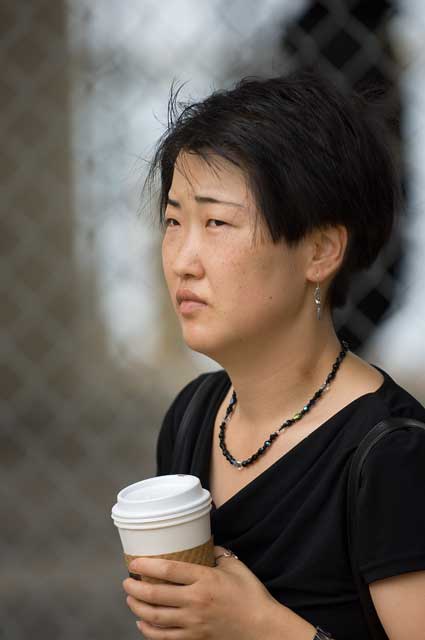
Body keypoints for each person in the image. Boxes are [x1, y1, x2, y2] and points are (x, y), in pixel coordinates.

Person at [122, 72, 425, 639]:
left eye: (216, 222)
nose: (183, 259)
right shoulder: (192, 417)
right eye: (172, 221)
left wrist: (257, 624)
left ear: (321, 250)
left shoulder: (393, 457)